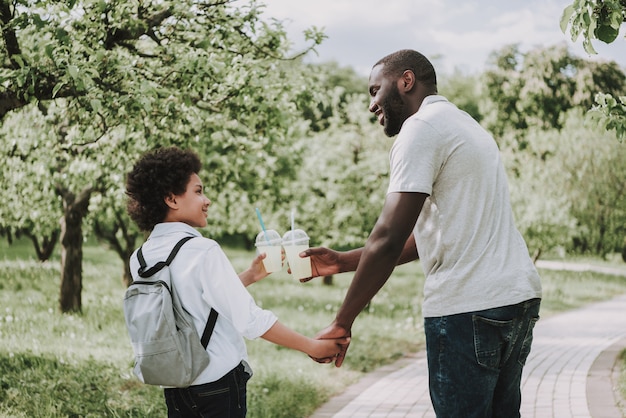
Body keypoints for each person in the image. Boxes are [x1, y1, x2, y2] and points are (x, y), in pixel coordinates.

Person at [303, 49, 542, 417]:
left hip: (468, 307)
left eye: (374, 90)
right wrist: (342, 261)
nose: (372, 105)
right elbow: (432, 236)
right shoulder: (466, 124)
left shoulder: (421, 128)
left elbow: (387, 237)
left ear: (406, 81)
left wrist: (342, 321)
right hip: (516, 299)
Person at [125, 146, 346, 418]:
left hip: (176, 385)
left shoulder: (141, 257)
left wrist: (251, 275)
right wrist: (312, 346)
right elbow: (249, 319)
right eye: (198, 191)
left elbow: (192, 304)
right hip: (217, 386)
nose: (207, 200)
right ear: (171, 199)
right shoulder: (202, 250)